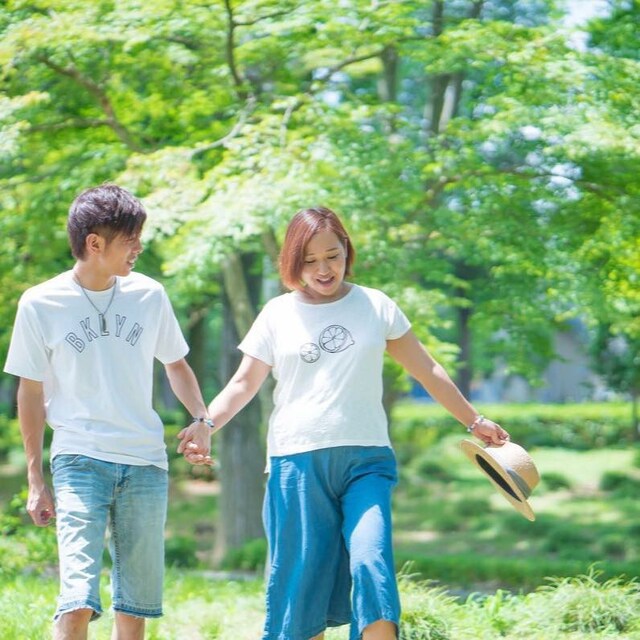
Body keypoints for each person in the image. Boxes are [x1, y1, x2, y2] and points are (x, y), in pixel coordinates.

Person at [178, 206, 510, 640]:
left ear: (346, 251)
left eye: (332, 256)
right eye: (310, 260)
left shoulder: (376, 305)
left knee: (372, 563)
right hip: (296, 463)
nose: (323, 269)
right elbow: (243, 383)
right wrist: (205, 423)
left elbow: (427, 369)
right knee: (302, 587)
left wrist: (474, 420)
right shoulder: (277, 313)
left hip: (366, 460)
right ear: (293, 263)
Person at [3, 184, 213, 640]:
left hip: (145, 463)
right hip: (79, 458)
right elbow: (30, 391)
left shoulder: (149, 295)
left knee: (133, 607)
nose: (139, 248)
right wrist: (36, 478)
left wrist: (201, 418)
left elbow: (176, 364)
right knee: (77, 599)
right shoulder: (40, 303)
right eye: (130, 239)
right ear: (95, 243)